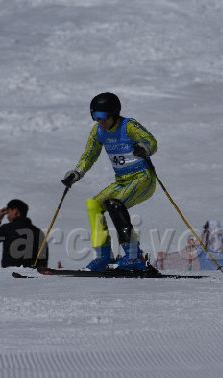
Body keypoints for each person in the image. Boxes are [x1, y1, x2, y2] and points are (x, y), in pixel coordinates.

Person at [61, 92, 157, 271]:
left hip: (143, 178)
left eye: (103, 116)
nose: (100, 121)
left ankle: (133, 256)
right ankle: (103, 256)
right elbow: (89, 155)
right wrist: (77, 172)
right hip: (122, 181)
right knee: (94, 205)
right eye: (95, 117)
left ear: (114, 113)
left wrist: (144, 148)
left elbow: (151, 141)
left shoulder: (129, 126)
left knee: (114, 204)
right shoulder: (98, 131)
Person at [0, 199, 47, 268]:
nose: (7, 216)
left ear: (15, 211)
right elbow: (43, 260)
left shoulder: (7, 229)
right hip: (31, 274)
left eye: (8, 212)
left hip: (10, 274)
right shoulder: (38, 232)